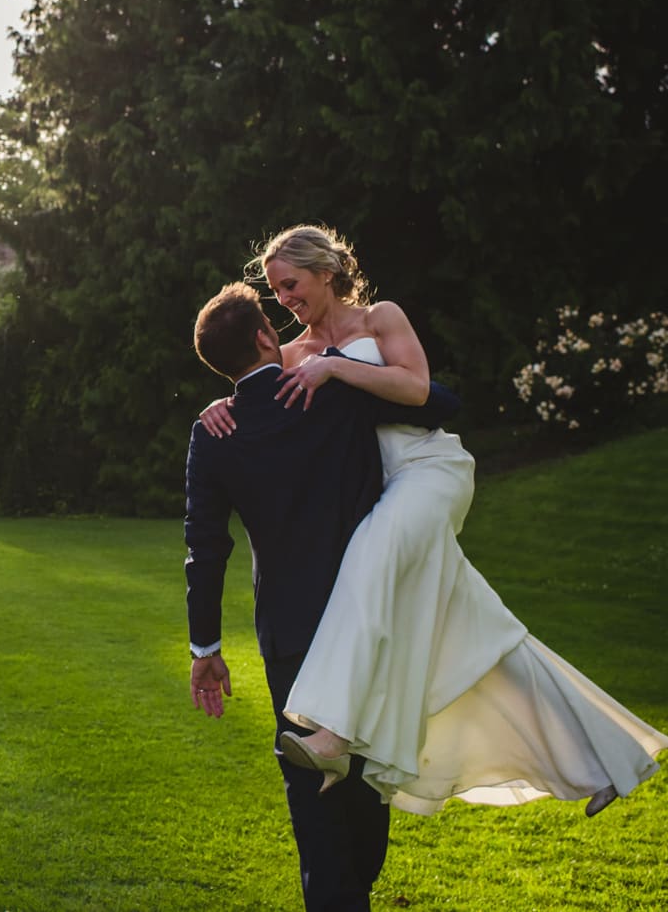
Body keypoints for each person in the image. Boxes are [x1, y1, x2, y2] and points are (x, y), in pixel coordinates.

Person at [197, 224, 668, 819]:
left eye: (290, 284)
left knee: (365, 556)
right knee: (485, 636)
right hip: (381, 489)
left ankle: (335, 735)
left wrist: (339, 369)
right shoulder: (292, 353)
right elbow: (258, 387)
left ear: (324, 271)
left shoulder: (380, 319)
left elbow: (419, 388)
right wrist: (219, 405)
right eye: (275, 293)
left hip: (426, 470)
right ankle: (607, 761)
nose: (285, 300)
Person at [186, 281, 464, 911]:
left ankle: (341, 898)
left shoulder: (214, 431)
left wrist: (206, 646)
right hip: (366, 622)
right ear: (264, 338)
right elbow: (439, 405)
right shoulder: (333, 394)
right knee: (359, 783)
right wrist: (347, 371)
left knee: (314, 796)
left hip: (288, 633)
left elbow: (206, 548)